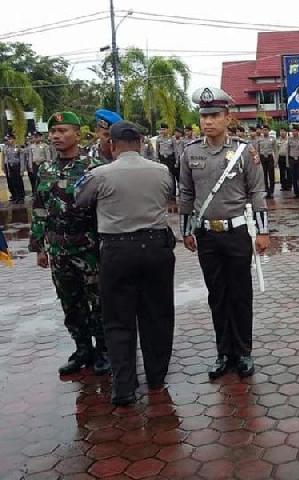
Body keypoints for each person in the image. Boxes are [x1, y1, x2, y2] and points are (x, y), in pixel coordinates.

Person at [75, 120, 175, 406]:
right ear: (142, 143)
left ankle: (124, 387)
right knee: (157, 315)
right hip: (157, 247)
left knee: (118, 320)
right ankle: (156, 378)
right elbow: (167, 195)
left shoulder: (99, 174)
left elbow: (80, 201)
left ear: (111, 144)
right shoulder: (162, 171)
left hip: (117, 251)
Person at [180, 87, 270, 379]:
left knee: (240, 294)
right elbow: (186, 193)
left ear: (227, 117)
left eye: (215, 115)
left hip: (236, 233)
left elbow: (257, 191)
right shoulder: (190, 152)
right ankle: (223, 353)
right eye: (204, 115)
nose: (208, 121)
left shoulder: (244, 151)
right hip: (206, 236)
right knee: (216, 295)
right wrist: (186, 231)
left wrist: (263, 231)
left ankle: (243, 352)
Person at [29, 112, 109, 376]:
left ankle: (103, 351)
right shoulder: (46, 169)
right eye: (53, 132)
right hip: (58, 250)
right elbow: (40, 209)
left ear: (77, 133)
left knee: (97, 302)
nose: (56, 136)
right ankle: (82, 348)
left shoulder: (94, 166)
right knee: (70, 303)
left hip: (89, 249)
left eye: (62, 131)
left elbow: (105, 208)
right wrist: (40, 246)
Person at [156, 123, 178, 198]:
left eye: (164, 129)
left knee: (171, 176)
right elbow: (157, 150)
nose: (162, 131)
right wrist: (157, 159)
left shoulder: (172, 138)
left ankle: (173, 194)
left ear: (167, 130)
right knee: (163, 176)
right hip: (162, 159)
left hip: (170, 159)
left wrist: (177, 161)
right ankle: (165, 193)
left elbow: (175, 150)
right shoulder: (158, 139)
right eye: (161, 129)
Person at [4, 135, 26, 203]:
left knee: (19, 182)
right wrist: (7, 169)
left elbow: (22, 159)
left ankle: (21, 197)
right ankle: (16, 197)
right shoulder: (7, 149)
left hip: (17, 166)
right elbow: (7, 160)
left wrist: (22, 170)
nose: (9, 140)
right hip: (10, 167)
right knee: (13, 183)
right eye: (8, 139)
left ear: (14, 139)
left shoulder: (18, 147)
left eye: (10, 139)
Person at [258, 126, 277, 199]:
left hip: (270, 157)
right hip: (262, 158)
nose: (265, 131)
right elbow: (258, 150)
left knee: (271, 175)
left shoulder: (273, 139)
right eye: (263, 130)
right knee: (264, 175)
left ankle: (271, 191)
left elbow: (275, 150)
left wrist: (276, 160)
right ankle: (266, 191)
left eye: (266, 130)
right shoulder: (259, 139)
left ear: (269, 131)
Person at [288, 125, 299, 198]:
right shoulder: (289, 139)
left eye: (295, 131)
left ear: (298, 131)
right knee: (293, 176)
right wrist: (287, 161)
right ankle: (296, 192)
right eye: (293, 131)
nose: (294, 132)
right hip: (292, 159)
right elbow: (287, 150)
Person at [276, 127, 290, 191]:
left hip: (288, 158)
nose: (282, 132)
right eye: (281, 131)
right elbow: (276, 150)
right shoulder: (278, 140)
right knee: (282, 172)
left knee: (288, 172)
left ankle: (289, 185)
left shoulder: (289, 140)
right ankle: (283, 185)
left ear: (286, 132)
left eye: (283, 131)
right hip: (280, 158)